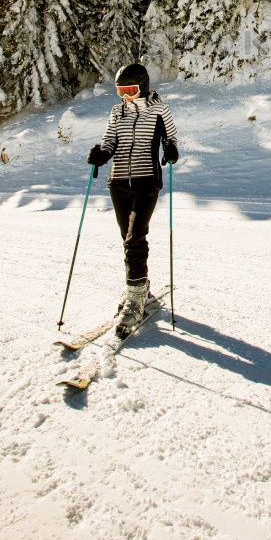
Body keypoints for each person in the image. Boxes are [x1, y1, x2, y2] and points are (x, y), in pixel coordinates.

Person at [87, 62, 179, 335]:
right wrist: (101, 155)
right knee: (127, 238)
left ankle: (136, 300)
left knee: (135, 236)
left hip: (146, 180)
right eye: (120, 91)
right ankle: (138, 287)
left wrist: (171, 149)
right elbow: (109, 141)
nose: (125, 96)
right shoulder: (117, 112)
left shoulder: (159, 110)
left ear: (143, 87)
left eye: (129, 90)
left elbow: (171, 137)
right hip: (118, 182)